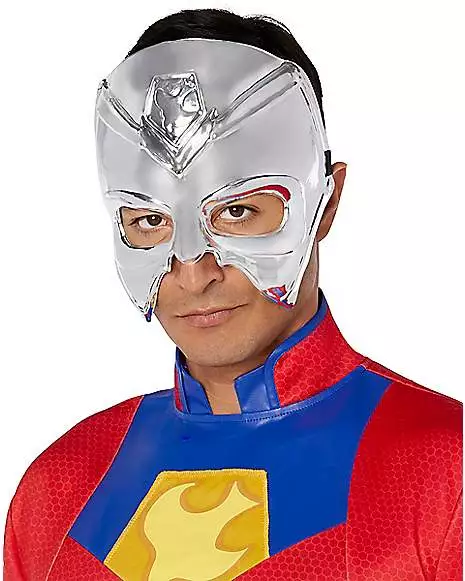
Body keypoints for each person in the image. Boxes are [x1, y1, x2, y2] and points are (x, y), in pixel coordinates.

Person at [3, 8, 462, 581]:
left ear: (325, 202)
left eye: (237, 211)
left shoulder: (447, 477)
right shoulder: (60, 486)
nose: (194, 274)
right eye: (150, 220)